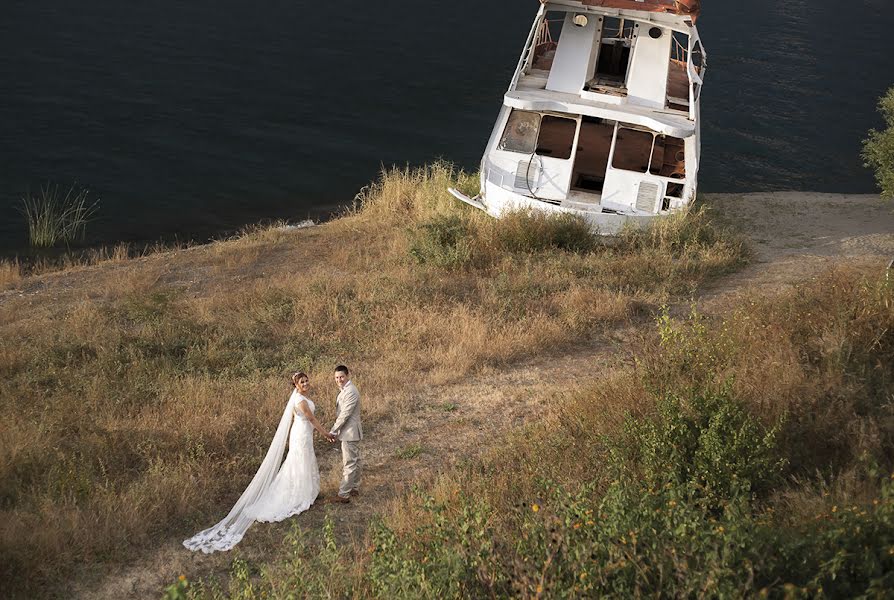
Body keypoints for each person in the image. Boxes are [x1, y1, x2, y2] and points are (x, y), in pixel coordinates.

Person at [183, 372, 325, 553]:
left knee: (299, 462)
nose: (305, 383)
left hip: (301, 432)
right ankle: (298, 493)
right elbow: (311, 419)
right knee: (298, 462)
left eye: (306, 381)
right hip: (302, 433)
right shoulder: (301, 401)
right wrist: (326, 433)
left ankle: (303, 490)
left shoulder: (300, 397)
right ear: (295, 385)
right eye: (301, 382)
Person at [327, 365, 363, 503]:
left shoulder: (351, 391)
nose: (339, 380)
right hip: (349, 431)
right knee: (355, 460)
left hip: (350, 432)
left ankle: (343, 494)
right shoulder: (345, 390)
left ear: (348, 375)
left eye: (341, 377)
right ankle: (354, 487)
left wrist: (333, 430)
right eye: (336, 377)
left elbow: (345, 414)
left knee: (349, 462)